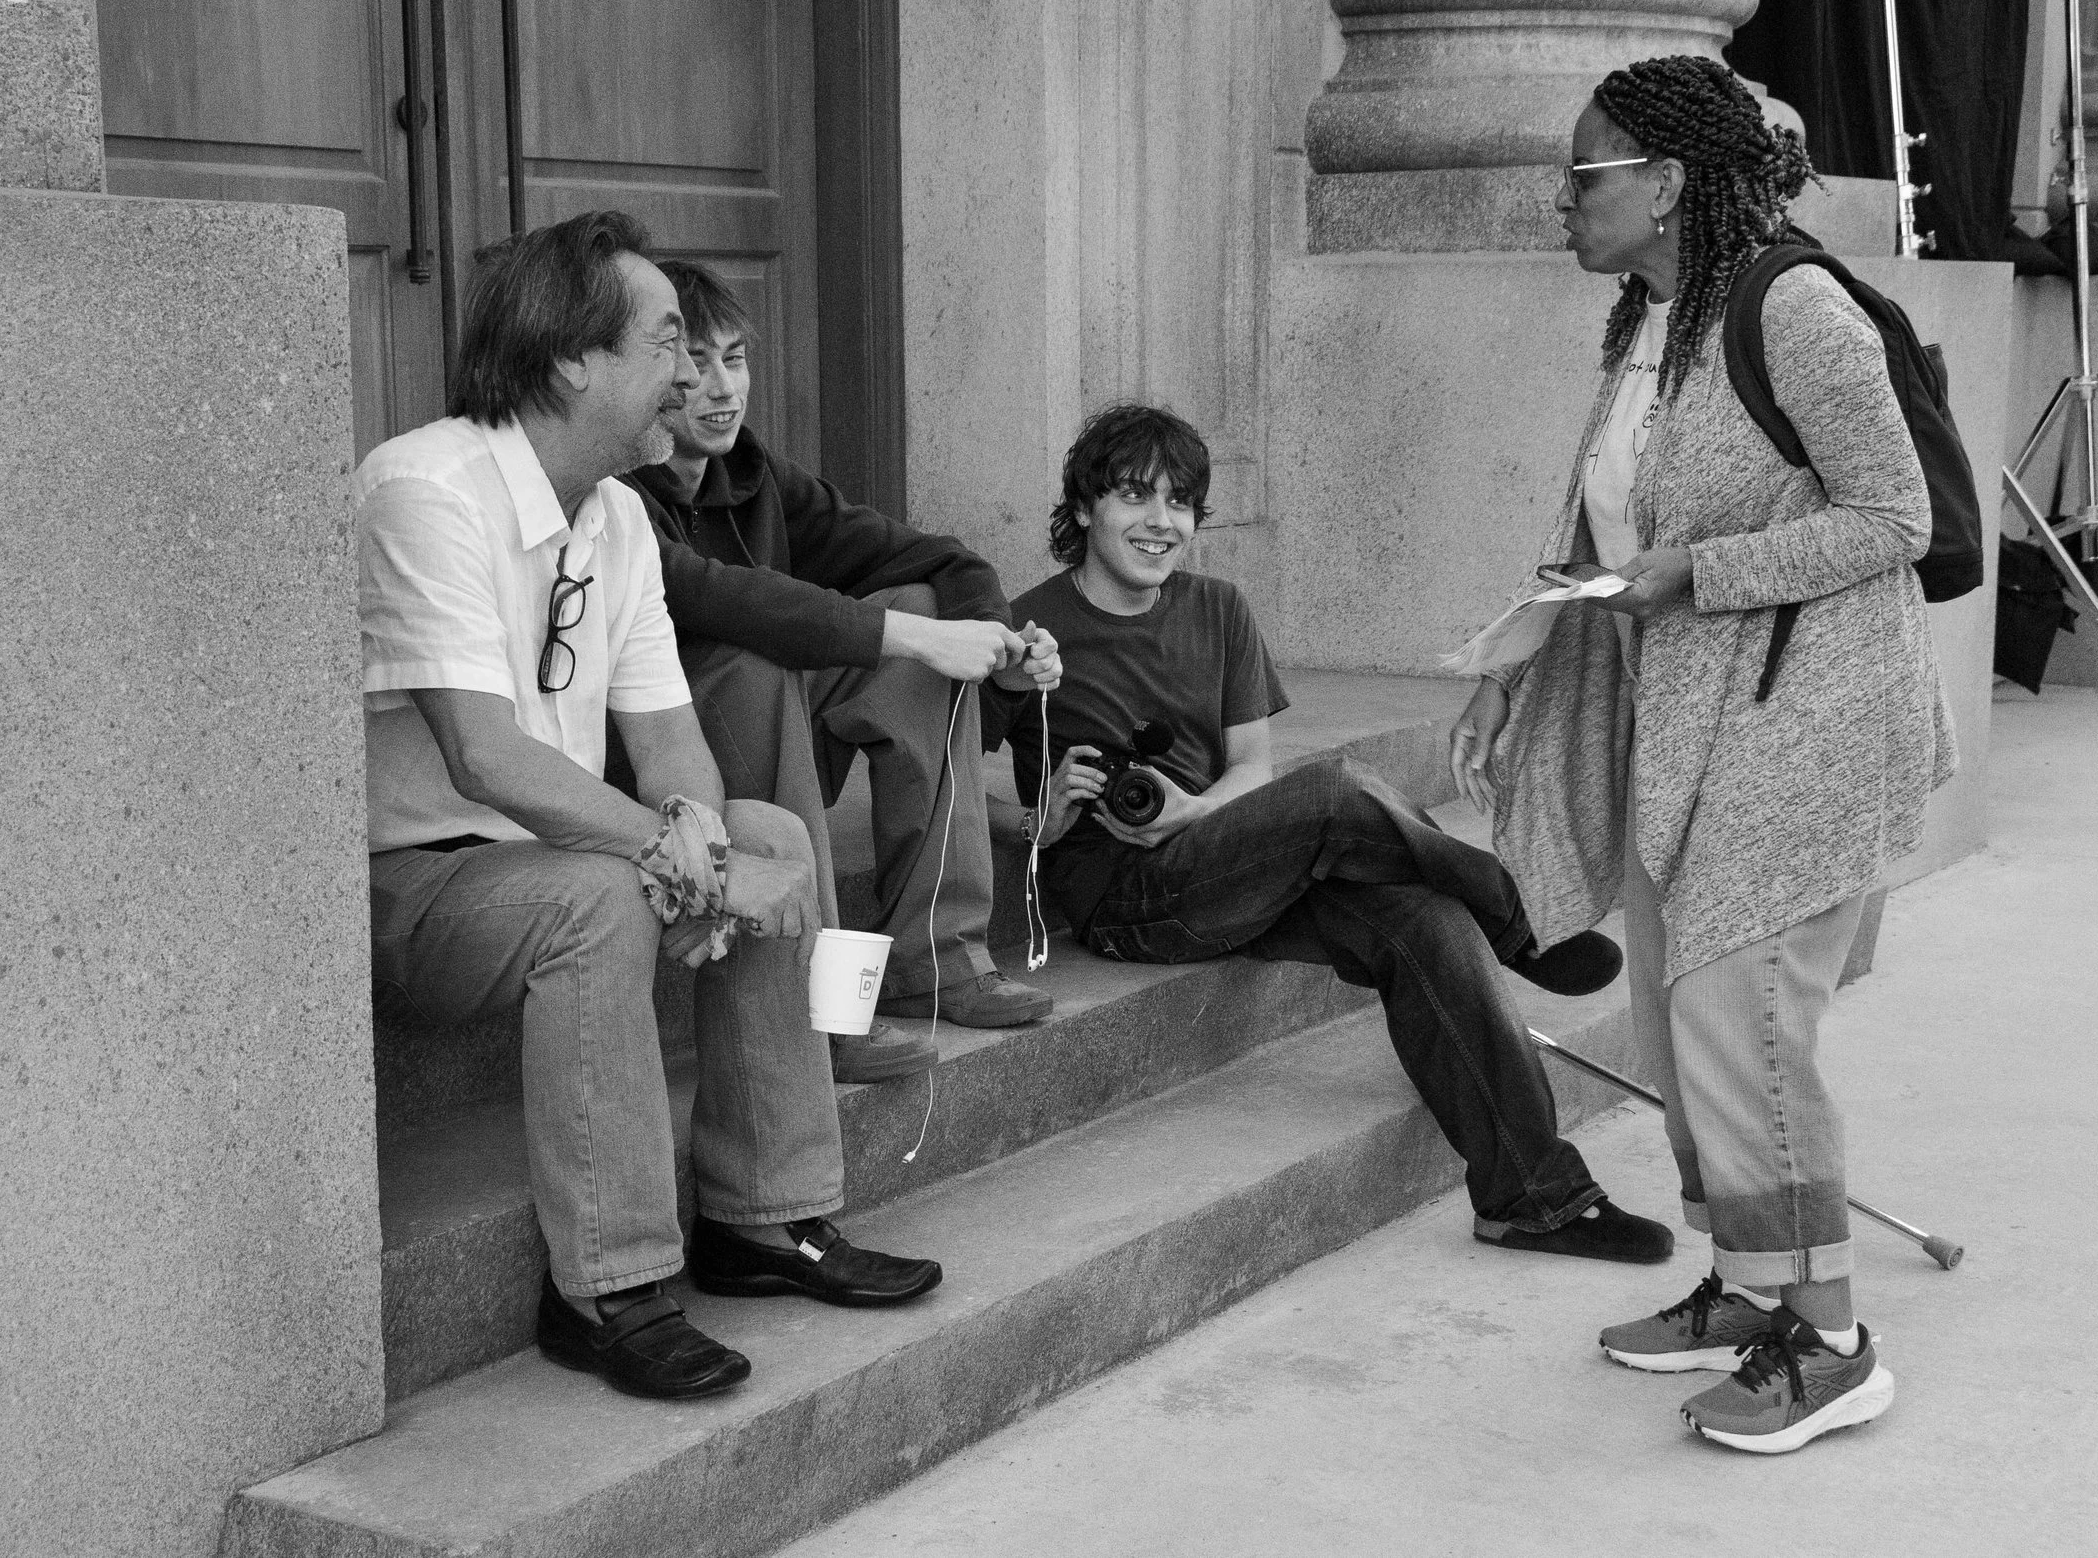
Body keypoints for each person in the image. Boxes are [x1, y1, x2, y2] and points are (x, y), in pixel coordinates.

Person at [1451, 56, 1955, 1452]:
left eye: (1583, 173)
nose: (1561, 199)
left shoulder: (1790, 307)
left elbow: (1895, 517)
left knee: (1749, 1030)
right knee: (1680, 1025)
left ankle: (1832, 1340)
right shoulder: (1647, 320)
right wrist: (1512, 670)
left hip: (1805, 718)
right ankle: (1748, 1284)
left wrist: (1702, 572)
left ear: (1667, 181)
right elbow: (1602, 524)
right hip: (1688, 722)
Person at [360, 211, 943, 1403]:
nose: (693, 373)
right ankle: (607, 1288)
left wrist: (705, 845)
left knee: (771, 831)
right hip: (419, 886)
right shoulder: (426, 489)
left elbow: (670, 739)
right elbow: (483, 757)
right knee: (599, 898)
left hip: (560, 850)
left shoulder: (616, 514)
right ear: (573, 360)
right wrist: (684, 863)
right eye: (668, 339)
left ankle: (767, 1217)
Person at [987, 403, 1670, 1265]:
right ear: (1085, 507)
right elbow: (948, 789)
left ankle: (1535, 1199)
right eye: (1135, 497)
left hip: (1229, 857)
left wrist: (1194, 811)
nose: (1161, 522)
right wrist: (1039, 818)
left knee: (1426, 920)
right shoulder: (1030, 631)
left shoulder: (1219, 607)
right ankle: (1517, 916)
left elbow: (1250, 768)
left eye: (1181, 503)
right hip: (1126, 900)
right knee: (1337, 790)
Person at [618, 261, 1061, 1085]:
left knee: (923, 608)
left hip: (775, 740)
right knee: (758, 659)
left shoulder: (753, 477)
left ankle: (935, 956)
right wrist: (912, 637)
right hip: (659, 772)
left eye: (735, 359)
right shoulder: (614, 494)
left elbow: (939, 558)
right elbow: (724, 599)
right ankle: (820, 1010)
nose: (721, 388)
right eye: (695, 364)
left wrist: (997, 647)